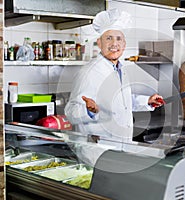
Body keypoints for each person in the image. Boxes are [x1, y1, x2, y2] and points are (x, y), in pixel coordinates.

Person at [65, 9, 164, 143]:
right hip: (98, 149)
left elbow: (122, 103)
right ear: (99, 43)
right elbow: (71, 112)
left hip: (120, 145)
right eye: (108, 38)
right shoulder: (89, 72)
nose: (114, 44)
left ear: (124, 45)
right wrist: (89, 111)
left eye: (118, 39)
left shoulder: (120, 69)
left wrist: (147, 101)